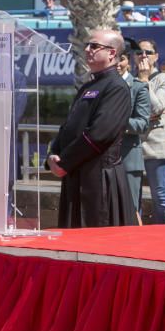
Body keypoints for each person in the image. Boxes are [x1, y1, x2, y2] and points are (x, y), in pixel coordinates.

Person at [47, 30, 135, 227]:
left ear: (112, 53)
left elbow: (99, 134)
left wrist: (65, 162)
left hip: (99, 180)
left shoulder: (117, 88)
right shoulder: (87, 87)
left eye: (94, 46)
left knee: (95, 241)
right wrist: (54, 154)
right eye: (87, 45)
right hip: (76, 174)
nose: (87, 49)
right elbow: (69, 126)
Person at [136, 38, 165, 223]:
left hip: (157, 148)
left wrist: (145, 80)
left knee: (160, 197)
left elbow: (156, 107)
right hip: (133, 147)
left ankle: (163, 238)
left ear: (156, 56)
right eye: (139, 52)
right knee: (133, 198)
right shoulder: (129, 80)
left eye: (148, 52)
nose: (143, 55)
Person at [116, 45, 151, 217]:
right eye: (114, 59)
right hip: (104, 161)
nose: (117, 64)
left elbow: (142, 124)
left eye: (121, 59)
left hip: (128, 159)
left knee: (131, 210)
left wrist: (117, 121)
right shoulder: (101, 86)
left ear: (128, 62)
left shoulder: (138, 87)